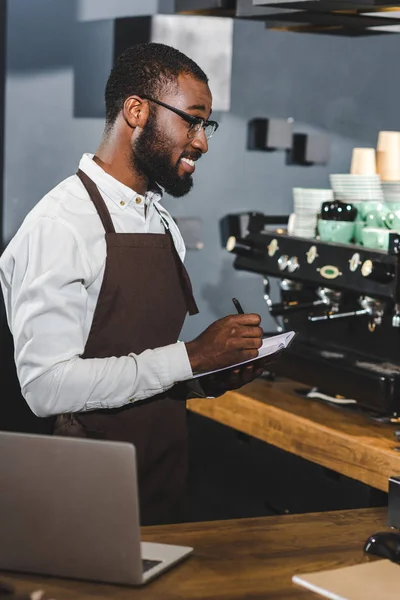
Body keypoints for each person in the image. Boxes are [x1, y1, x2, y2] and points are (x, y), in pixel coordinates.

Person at [0, 43, 266, 525]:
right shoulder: (60, 225)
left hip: (162, 482)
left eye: (206, 126)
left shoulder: (160, 221)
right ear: (136, 110)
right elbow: (46, 387)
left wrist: (204, 381)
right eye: (192, 120)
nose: (202, 142)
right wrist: (192, 357)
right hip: (84, 497)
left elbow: (140, 364)